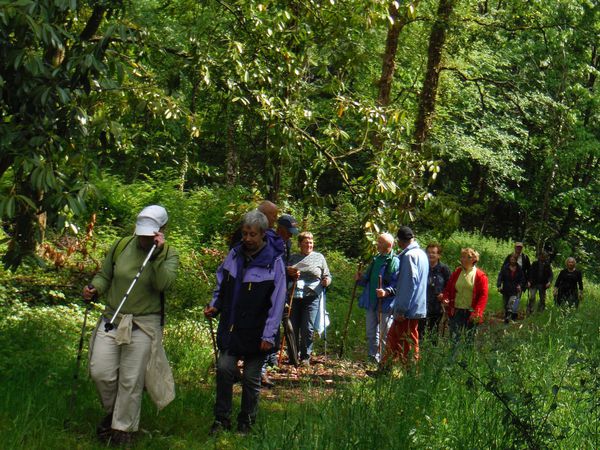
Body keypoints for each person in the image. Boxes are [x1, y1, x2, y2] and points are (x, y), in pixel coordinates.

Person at [83, 205, 179, 445]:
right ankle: (114, 414)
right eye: (141, 234)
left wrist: (155, 255)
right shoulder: (121, 246)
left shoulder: (169, 254)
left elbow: (162, 284)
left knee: (130, 379)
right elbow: (105, 276)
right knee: (100, 372)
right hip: (113, 318)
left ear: (161, 230)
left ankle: (121, 431)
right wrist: (94, 288)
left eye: (149, 235)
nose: (144, 239)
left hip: (144, 324)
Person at [204, 210, 286, 434]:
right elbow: (221, 281)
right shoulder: (234, 254)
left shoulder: (274, 261)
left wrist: (269, 335)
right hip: (231, 325)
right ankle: (221, 420)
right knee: (224, 369)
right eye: (245, 233)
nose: (248, 239)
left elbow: (277, 301)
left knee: (251, 377)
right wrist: (215, 305)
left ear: (262, 235)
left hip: (258, 331)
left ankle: (246, 421)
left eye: (252, 235)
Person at [261, 213, 299, 387]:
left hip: (282, 290)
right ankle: (260, 371)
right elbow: (267, 265)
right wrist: (286, 269)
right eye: (288, 231)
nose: (291, 235)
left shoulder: (287, 243)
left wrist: (291, 274)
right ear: (280, 229)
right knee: (267, 328)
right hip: (267, 292)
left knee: (276, 329)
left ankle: (270, 361)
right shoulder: (268, 241)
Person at [381, 226, 428, 367]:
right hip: (415, 306)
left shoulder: (409, 256)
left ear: (400, 241)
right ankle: (385, 369)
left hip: (408, 309)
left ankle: (411, 374)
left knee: (408, 342)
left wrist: (401, 309)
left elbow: (409, 284)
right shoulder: (422, 254)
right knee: (393, 338)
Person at [288, 232, 332, 366]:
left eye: (311, 242)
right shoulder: (293, 257)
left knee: (308, 327)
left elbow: (327, 275)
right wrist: (290, 272)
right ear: (300, 243)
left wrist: (327, 281)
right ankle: (293, 356)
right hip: (294, 296)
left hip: (312, 296)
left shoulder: (319, 257)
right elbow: (284, 273)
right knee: (292, 327)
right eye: (306, 242)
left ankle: (305, 357)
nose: (309, 245)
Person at [355, 233, 399, 363]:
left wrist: (386, 292)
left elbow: (396, 284)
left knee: (384, 333)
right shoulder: (376, 259)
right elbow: (367, 279)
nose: (377, 244)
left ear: (389, 246)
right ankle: (373, 357)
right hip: (371, 301)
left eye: (380, 242)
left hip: (385, 304)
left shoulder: (394, 262)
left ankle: (385, 360)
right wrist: (360, 278)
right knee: (370, 332)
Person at [442, 248, 488, 343]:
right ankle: (453, 358)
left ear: (472, 259)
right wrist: (445, 298)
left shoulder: (480, 275)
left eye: (464, 257)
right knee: (454, 339)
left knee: (469, 340)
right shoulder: (457, 272)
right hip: (456, 310)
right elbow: (448, 288)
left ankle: (466, 358)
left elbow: (483, 296)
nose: (461, 259)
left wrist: (477, 313)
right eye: (461, 257)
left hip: (471, 313)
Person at [418, 243, 451, 344]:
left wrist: (444, 295)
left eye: (433, 253)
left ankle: (432, 353)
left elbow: (450, 286)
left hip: (437, 306)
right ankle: (419, 353)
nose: (430, 255)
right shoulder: (422, 267)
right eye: (428, 252)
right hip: (422, 305)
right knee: (420, 331)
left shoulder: (444, 269)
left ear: (439, 255)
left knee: (434, 332)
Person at [497, 253, 526, 323]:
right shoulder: (505, 267)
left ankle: (508, 317)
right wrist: (499, 285)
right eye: (511, 259)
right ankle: (507, 316)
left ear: (516, 260)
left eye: (514, 259)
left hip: (514, 289)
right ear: (510, 260)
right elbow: (500, 277)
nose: (512, 261)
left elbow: (522, 279)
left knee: (511, 302)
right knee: (505, 304)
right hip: (506, 289)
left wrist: (520, 285)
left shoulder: (519, 269)